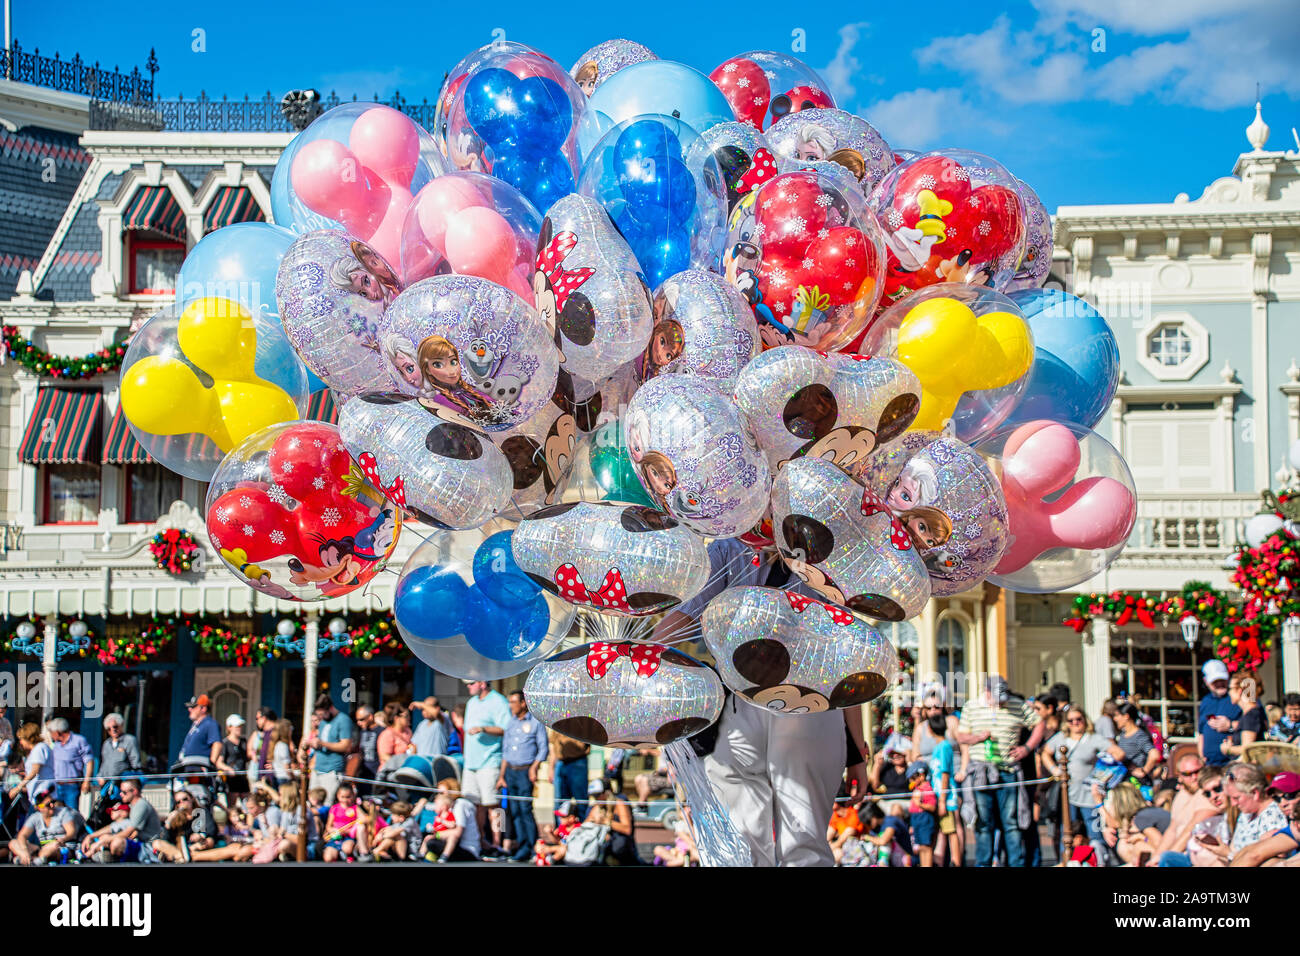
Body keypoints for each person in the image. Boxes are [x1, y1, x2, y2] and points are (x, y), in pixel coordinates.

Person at [654, 536, 865, 867]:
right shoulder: (732, 551)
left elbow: (847, 660)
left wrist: (856, 749)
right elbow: (683, 619)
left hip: (801, 705)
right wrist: (640, 656)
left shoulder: (820, 557)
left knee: (787, 840)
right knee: (765, 842)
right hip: (757, 707)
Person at [956, 675, 1043, 867]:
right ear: (987, 692)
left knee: (1011, 823)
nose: (1002, 703)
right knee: (984, 823)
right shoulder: (972, 706)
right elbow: (961, 736)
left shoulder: (1017, 705)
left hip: (1008, 770)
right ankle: (983, 863)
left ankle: (1015, 864)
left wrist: (1027, 748)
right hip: (981, 772)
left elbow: (1039, 724)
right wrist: (977, 738)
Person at [1042, 707, 1110, 857]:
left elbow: (1116, 753)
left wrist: (1103, 774)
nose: (1075, 723)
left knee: (1095, 833)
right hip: (1068, 795)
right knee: (1067, 832)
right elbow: (1045, 752)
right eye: (1071, 720)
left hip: (1089, 795)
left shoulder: (1093, 738)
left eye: (1078, 719)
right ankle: (1067, 860)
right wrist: (1055, 770)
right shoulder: (1061, 738)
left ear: (1085, 719)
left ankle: (1097, 860)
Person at [498, 689, 548, 863]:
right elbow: (505, 751)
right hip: (510, 771)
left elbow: (543, 749)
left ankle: (532, 846)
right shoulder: (511, 722)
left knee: (525, 809)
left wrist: (534, 768)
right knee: (515, 810)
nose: (510, 706)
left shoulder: (535, 722)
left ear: (523, 703)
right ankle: (522, 846)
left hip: (525, 771)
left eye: (513, 702)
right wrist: (502, 775)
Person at [461, 679, 510, 850]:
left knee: (494, 805)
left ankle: (499, 842)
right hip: (470, 763)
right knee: (475, 804)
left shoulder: (499, 701)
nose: (468, 686)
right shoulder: (471, 703)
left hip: (490, 761)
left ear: (482, 683)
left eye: (471, 683)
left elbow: (507, 728)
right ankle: (480, 841)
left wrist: (484, 728)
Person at [925, 713, 962, 866]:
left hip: (945, 797)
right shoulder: (939, 747)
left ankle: (956, 860)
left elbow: (945, 773)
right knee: (942, 830)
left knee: (950, 830)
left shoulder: (944, 747)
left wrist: (942, 801)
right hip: (939, 796)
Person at [302, 694, 353, 805]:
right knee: (311, 803)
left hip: (332, 770)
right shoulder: (323, 722)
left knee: (326, 804)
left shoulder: (343, 720)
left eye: (322, 714)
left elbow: (346, 745)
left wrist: (322, 743)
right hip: (318, 769)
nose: (321, 717)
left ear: (330, 709)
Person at [9, 790, 77, 865]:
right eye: (48, 804)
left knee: (53, 846)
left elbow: (72, 832)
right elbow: (22, 835)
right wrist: (24, 851)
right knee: (13, 843)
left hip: (60, 847)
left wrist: (63, 839)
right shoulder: (35, 817)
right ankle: (27, 857)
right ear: (40, 807)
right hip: (42, 848)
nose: (52, 805)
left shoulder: (63, 812)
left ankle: (31, 860)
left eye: (53, 802)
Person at [423, 779, 481, 862]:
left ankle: (439, 858)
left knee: (432, 843)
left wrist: (437, 835)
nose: (439, 795)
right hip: (455, 845)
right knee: (431, 842)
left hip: (467, 849)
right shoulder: (450, 806)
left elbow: (457, 832)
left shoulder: (460, 804)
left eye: (442, 793)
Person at [586, 780, 642, 865]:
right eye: (593, 796)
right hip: (605, 846)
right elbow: (585, 825)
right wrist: (593, 822)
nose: (596, 798)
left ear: (606, 793)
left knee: (618, 844)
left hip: (621, 846)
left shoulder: (619, 804)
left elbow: (627, 829)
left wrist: (605, 821)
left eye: (597, 795)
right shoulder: (597, 806)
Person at [1197, 659, 1241, 768]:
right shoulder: (1205, 701)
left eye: (1222, 680)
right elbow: (1201, 732)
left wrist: (1230, 725)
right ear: (1206, 681)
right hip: (1210, 764)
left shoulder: (1237, 698)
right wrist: (1201, 756)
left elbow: (1255, 724)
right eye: (1215, 681)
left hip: (1233, 762)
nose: (1219, 684)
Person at [45, 717, 93, 812]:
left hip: (71, 786)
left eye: (51, 732)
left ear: (58, 731)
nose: (50, 734)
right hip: (56, 786)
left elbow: (89, 761)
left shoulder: (78, 740)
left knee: (71, 813)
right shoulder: (56, 744)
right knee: (55, 814)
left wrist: (87, 781)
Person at [1107, 702, 1160, 787]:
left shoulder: (1139, 735)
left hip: (1137, 784)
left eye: (1117, 715)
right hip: (1125, 781)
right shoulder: (1123, 734)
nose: (1115, 719)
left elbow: (1154, 754)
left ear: (1126, 716)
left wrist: (1144, 770)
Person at [1220, 672, 1266, 759]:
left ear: (1240, 691)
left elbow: (1247, 749)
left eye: (1230, 689)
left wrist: (1228, 749)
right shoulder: (1250, 713)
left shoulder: (1251, 715)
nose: (1229, 693)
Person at [548, 729, 590, 823]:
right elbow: (553, 745)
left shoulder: (582, 719)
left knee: (581, 802)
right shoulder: (557, 719)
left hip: (578, 761)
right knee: (559, 803)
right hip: (560, 763)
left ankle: (583, 831)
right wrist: (551, 768)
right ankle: (560, 832)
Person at [8, 722, 54, 804]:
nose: (20, 742)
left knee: (35, 816)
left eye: (21, 739)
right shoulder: (36, 750)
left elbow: (35, 771)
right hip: (37, 794)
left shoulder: (39, 748)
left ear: (28, 738)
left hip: (42, 795)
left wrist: (18, 787)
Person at [97, 712, 140, 797]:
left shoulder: (129, 740)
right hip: (108, 784)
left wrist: (133, 782)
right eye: (109, 729)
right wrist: (100, 776)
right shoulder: (106, 744)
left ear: (121, 725)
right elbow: (104, 763)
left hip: (123, 784)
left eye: (115, 726)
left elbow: (136, 763)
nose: (113, 730)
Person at [861, 800, 913, 866]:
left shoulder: (891, 821)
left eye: (867, 823)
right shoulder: (875, 828)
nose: (867, 826)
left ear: (873, 818)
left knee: (884, 842)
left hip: (905, 858)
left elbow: (883, 841)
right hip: (892, 859)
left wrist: (867, 837)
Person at [907, 761, 938, 866]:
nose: (911, 781)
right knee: (920, 846)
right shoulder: (917, 789)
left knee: (926, 847)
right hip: (916, 819)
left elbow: (932, 807)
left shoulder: (927, 789)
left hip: (925, 818)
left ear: (922, 775)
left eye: (913, 777)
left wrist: (920, 804)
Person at [179, 694, 222, 764]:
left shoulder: (210, 723)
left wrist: (210, 764)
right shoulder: (195, 725)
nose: (189, 709)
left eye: (193, 707)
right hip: (188, 766)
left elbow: (217, 743)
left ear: (203, 709)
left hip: (200, 767)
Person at [216, 714, 250, 799]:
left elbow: (247, 757)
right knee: (232, 805)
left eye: (240, 726)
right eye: (237, 726)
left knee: (247, 801)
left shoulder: (243, 742)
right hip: (231, 780)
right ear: (229, 727)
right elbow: (219, 762)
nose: (239, 728)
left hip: (243, 778)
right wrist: (228, 769)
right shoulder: (225, 743)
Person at [247, 706, 278, 785]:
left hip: (273, 778)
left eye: (257, 718)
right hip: (262, 776)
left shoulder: (276, 732)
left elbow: (288, 749)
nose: (257, 721)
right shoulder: (265, 733)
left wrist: (275, 765)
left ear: (264, 718)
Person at [354, 705, 383, 789]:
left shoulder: (382, 731)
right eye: (357, 720)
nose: (358, 723)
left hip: (377, 774)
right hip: (363, 773)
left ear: (370, 717)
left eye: (361, 719)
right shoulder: (362, 731)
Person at [270, 718, 296, 787]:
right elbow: (287, 767)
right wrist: (293, 778)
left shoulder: (277, 744)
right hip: (284, 779)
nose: (291, 731)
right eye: (290, 729)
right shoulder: (283, 746)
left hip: (278, 777)